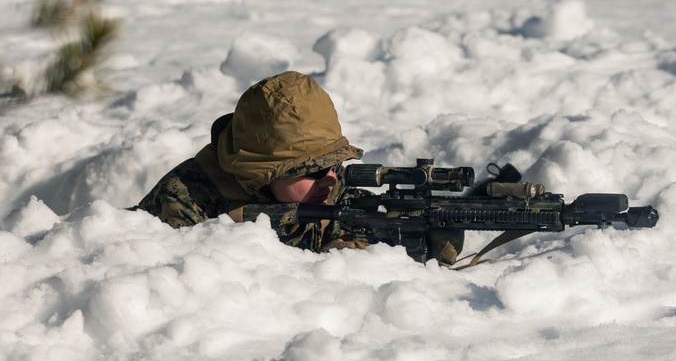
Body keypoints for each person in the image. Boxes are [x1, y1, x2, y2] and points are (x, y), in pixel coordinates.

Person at [134, 71, 462, 263]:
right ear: (264, 173)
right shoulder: (184, 201)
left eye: (335, 163)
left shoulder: (329, 186)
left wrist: (417, 247)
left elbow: (347, 236)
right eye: (312, 171)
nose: (331, 179)